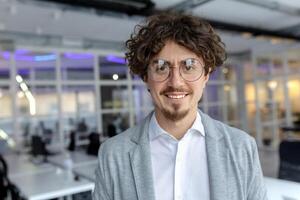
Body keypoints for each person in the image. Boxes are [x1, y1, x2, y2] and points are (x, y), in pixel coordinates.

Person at [93, 12, 268, 200]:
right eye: (161, 67)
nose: (176, 82)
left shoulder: (242, 147)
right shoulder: (112, 154)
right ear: (145, 77)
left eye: (189, 66)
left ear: (206, 75)